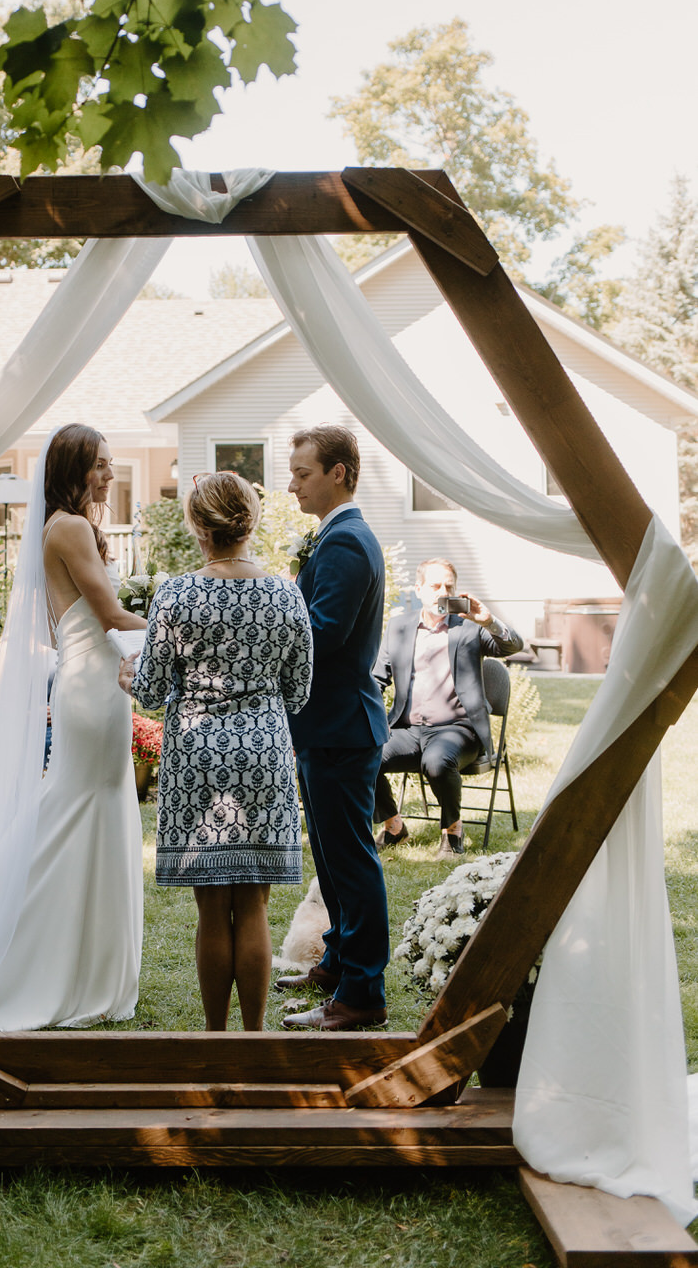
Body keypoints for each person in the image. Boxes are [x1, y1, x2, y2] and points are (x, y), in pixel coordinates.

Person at [0, 424, 148, 1030]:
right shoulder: (71, 526)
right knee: (73, 807)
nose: (111, 474)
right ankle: (0, 933)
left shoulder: (65, 526)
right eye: (101, 465)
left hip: (97, 678)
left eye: (112, 464)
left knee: (96, 807)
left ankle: (84, 962)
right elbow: (110, 613)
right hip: (91, 686)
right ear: (74, 467)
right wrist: (184, 613)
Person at [122, 471, 311, 1031]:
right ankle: (253, 1038)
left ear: (198, 527)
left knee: (212, 908)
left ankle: (215, 1038)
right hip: (263, 751)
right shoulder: (285, 593)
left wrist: (126, 673)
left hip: (198, 753)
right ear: (249, 522)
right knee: (253, 903)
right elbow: (299, 691)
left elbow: (152, 691)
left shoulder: (175, 595)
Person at [277, 424, 391, 1032]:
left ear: (338, 473)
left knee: (351, 861)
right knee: (331, 855)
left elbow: (319, 636)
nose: (291, 484)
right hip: (324, 725)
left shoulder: (347, 543)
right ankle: (338, 963)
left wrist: (259, 646)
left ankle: (362, 995)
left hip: (341, 726)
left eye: (302, 473)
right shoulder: (337, 536)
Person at [373, 558, 524, 859]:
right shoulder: (399, 627)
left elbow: (512, 647)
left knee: (437, 761)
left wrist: (488, 621)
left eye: (448, 586)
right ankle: (394, 827)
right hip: (408, 728)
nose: (442, 592)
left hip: (458, 730)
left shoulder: (468, 629)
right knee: (364, 751)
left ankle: (453, 830)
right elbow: (376, 679)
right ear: (418, 590)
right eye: (435, 586)